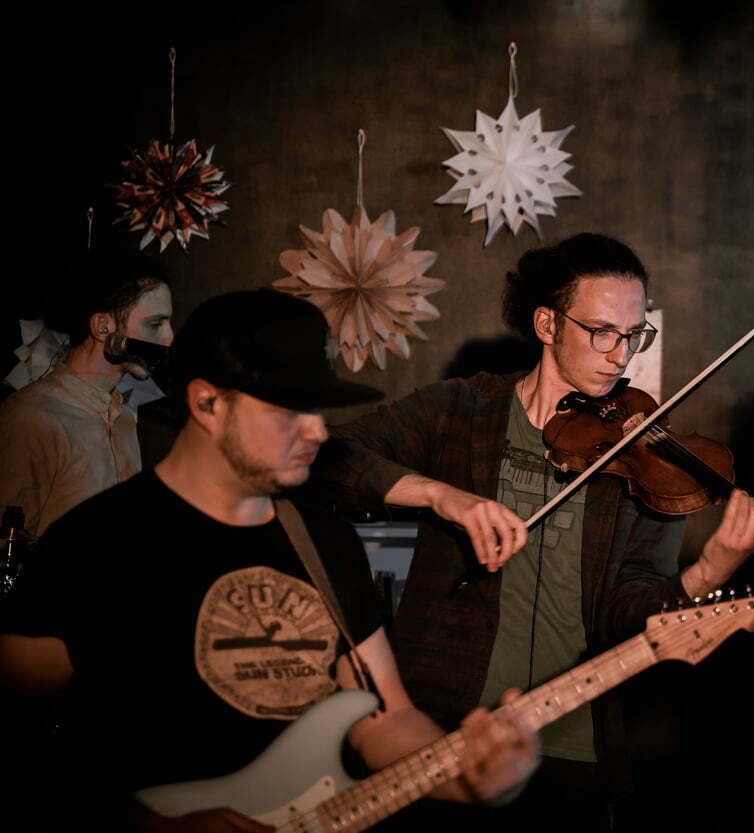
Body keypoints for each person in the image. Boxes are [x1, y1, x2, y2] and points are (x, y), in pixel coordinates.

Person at [0, 290, 538, 831]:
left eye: (317, 408)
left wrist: (468, 774)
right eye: (289, 409)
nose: (318, 430)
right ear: (207, 403)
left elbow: (384, 719)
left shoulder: (326, 542)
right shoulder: (98, 542)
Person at [309, 232, 754, 826]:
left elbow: (626, 617)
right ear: (547, 324)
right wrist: (440, 495)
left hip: (573, 748)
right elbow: (329, 458)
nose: (621, 356)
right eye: (602, 331)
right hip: (442, 732)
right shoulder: (460, 411)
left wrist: (710, 571)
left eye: (634, 335)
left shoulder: (645, 456)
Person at [0, 250, 173, 535]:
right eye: (155, 324)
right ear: (103, 327)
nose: (168, 338)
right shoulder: (31, 417)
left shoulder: (123, 419)